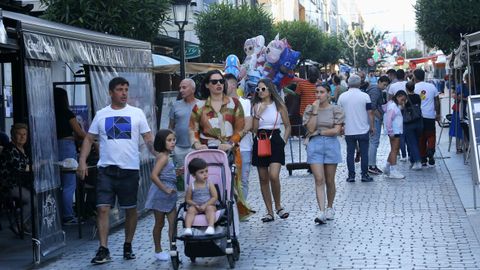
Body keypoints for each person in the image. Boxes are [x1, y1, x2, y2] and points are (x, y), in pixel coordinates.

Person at [77, 77, 156, 265]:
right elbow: (89, 139)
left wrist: (158, 154)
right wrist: (82, 161)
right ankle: (103, 248)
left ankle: (128, 244)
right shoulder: (101, 114)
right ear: (111, 92)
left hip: (129, 169)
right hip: (106, 170)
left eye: (126, 89)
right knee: (102, 209)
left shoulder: (137, 113)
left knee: (130, 210)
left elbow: (148, 138)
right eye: (120, 89)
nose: (124, 93)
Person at [189, 70, 253, 219]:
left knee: (230, 189)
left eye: (220, 81)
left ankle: (232, 220)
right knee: (207, 186)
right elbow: (192, 129)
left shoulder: (234, 104)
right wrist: (197, 144)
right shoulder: (199, 107)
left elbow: (240, 128)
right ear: (207, 85)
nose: (218, 84)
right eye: (214, 82)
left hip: (229, 153)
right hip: (206, 153)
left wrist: (231, 143)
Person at [303, 83, 344, 224]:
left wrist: (320, 132)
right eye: (316, 92)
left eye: (321, 92)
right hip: (315, 145)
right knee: (319, 179)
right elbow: (310, 128)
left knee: (329, 180)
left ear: (328, 93)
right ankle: (320, 211)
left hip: (331, 144)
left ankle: (330, 207)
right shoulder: (310, 109)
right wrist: (315, 111)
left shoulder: (335, 109)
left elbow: (336, 130)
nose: (318, 95)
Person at [251, 78, 291, 222]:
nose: (260, 92)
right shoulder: (255, 106)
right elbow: (254, 130)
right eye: (258, 89)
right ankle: (269, 211)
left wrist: (283, 142)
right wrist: (257, 114)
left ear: (270, 90)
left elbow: (288, 125)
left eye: (263, 89)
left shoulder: (279, 105)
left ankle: (279, 206)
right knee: (263, 178)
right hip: (261, 139)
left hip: (275, 139)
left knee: (274, 175)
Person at [53, 87, 87, 225]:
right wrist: (92, 140)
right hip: (66, 145)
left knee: (58, 182)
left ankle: (59, 213)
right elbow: (79, 133)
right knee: (69, 183)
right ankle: (68, 215)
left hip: (52, 147)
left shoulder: (49, 112)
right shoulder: (67, 113)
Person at [145, 129, 178, 261]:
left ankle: (173, 249)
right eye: (169, 140)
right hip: (161, 194)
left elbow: (165, 173)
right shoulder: (163, 157)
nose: (173, 143)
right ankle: (158, 250)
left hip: (170, 195)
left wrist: (176, 172)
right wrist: (165, 189)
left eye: (173, 140)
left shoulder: (166, 156)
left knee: (173, 223)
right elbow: (153, 176)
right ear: (161, 142)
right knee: (160, 223)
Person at [337, 74, 375, 182]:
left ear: (348, 83)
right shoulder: (365, 96)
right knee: (364, 153)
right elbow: (370, 112)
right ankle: (364, 175)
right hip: (363, 129)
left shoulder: (342, 97)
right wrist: (372, 126)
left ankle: (351, 176)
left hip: (348, 130)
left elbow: (339, 114)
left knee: (350, 153)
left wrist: (340, 127)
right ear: (360, 84)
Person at [225, 73, 253, 200]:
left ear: (233, 85)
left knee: (243, 180)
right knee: (228, 180)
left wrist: (235, 139)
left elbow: (248, 125)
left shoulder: (245, 103)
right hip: (226, 148)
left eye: (225, 83)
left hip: (244, 148)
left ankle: (242, 210)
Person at [0, 123, 31, 233]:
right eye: (19, 134)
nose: (22, 137)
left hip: (21, 183)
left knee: (41, 195)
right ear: (13, 135)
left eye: (25, 134)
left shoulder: (22, 148)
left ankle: (25, 223)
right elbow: (20, 167)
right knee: (33, 200)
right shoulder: (9, 149)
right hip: (9, 185)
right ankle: (17, 224)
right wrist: (36, 166)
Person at [168, 78, 198, 172]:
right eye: (180, 88)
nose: (181, 90)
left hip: (196, 148)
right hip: (179, 148)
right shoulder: (175, 105)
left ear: (193, 89)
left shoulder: (202, 105)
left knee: (196, 174)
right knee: (181, 177)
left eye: (184, 87)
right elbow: (171, 127)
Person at [183, 157, 218, 236]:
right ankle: (188, 228)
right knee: (190, 210)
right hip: (197, 206)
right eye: (201, 172)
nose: (205, 174)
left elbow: (214, 197)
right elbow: (188, 199)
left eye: (206, 171)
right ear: (193, 175)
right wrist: (195, 204)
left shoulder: (209, 184)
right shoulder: (192, 186)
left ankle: (211, 227)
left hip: (209, 204)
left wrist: (206, 205)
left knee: (210, 209)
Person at [413, 69, 440, 167]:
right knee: (431, 135)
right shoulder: (432, 86)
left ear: (415, 77)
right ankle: (431, 150)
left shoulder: (414, 88)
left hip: (419, 117)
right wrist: (438, 113)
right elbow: (437, 101)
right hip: (430, 116)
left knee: (421, 137)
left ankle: (423, 158)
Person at [366, 75, 390, 175]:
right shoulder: (376, 91)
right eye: (384, 84)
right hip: (374, 118)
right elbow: (372, 106)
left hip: (373, 118)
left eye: (386, 85)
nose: (384, 87)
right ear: (379, 82)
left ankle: (370, 164)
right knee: (374, 142)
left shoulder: (373, 89)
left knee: (372, 142)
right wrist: (379, 116)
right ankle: (371, 165)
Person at [383, 90, 407, 179]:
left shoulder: (393, 105)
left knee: (394, 149)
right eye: (402, 100)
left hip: (395, 130)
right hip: (394, 131)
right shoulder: (393, 106)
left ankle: (388, 167)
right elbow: (389, 119)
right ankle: (393, 170)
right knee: (395, 150)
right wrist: (390, 131)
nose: (403, 102)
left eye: (404, 100)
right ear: (398, 97)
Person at [404, 81, 423, 170]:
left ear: (406, 88)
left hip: (409, 122)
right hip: (418, 121)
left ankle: (417, 162)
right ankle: (413, 160)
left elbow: (402, 108)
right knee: (416, 141)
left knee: (412, 142)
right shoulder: (418, 97)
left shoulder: (405, 98)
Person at [449, 74, 469, 153]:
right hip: (459, 110)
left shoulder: (472, 87)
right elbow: (454, 96)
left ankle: (467, 145)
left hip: (466, 110)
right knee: (458, 128)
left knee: (466, 129)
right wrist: (465, 99)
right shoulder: (461, 86)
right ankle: (459, 147)